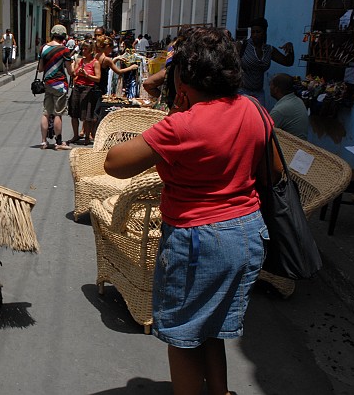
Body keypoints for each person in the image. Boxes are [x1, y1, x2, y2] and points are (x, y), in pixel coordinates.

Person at [104, 27, 270, 395]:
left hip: (199, 240)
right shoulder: (254, 109)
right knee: (211, 326)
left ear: (184, 79)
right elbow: (269, 166)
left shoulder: (181, 125)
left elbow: (114, 163)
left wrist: (174, 115)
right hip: (246, 234)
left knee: (183, 336)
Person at [238, 17, 294, 105]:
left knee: (259, 117)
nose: (255, 35)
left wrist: (290, 49)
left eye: (258, 32)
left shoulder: (269, 50)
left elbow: (288, 62)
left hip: (258, 93)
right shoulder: (243, 46)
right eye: (253, 32)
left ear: (264, 33)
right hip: (242, 91)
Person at [38, 24, 74, 150]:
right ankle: (58, 142)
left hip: (47, 83)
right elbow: (70, 72)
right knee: (58, 114)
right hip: (60, 84)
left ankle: (43, 141)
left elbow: (40, 68)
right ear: (63, 36)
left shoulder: (43, 48)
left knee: (46, 112)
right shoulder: (64, 50)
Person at [67, 40, 101, 146]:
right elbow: (74, 74)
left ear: (91, 51)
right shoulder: (80, 61)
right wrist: (76, 71)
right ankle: (76, 135)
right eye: (82, 48)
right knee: (74, 112)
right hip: (77, 87)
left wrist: (87, 75)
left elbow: (98, 78)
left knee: (87, 114)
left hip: (88, 89)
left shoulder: (95, 62)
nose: (83, 50)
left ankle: (87, 136)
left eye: (85, 49)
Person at [269, 73, 308, 140]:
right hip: (299, 146)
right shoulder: (298, 100)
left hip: (290, 148)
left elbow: (264, 133)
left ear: (276, 89)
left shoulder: (280, 110)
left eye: (270, 84)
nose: (269, 87)